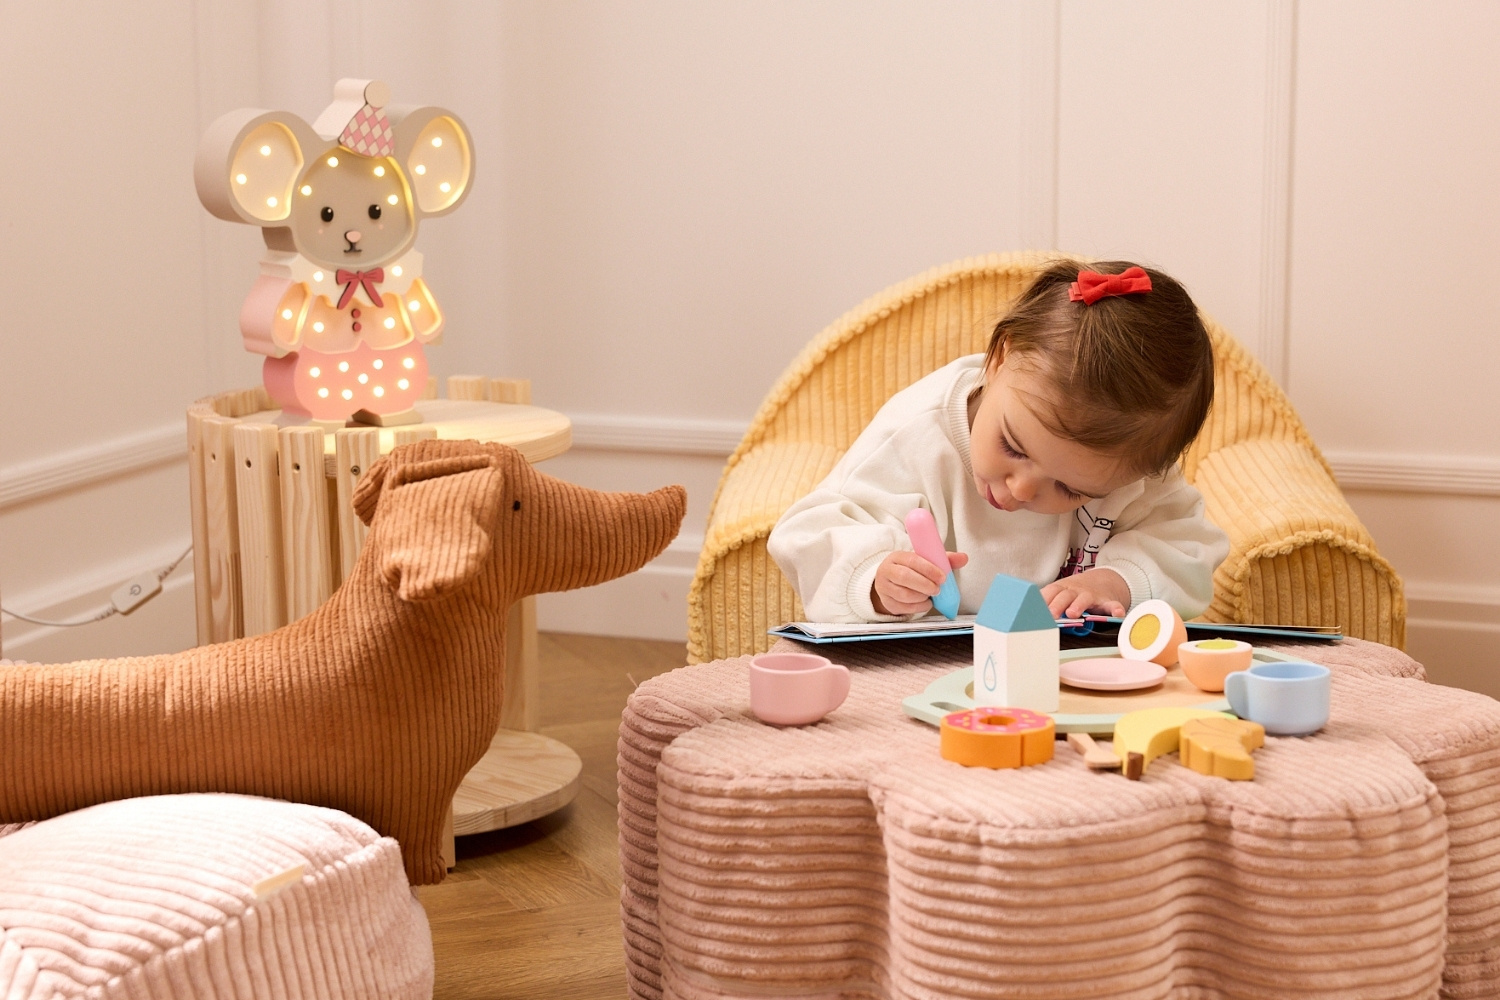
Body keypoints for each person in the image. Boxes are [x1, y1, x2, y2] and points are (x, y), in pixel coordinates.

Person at [767, 260, 1230, 623]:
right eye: (1013, 447)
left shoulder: (1130, 462)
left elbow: (1185, 546)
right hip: (921, 669)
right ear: (1000, 357)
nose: (1021, 489)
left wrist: (1118, 582)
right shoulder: (916, 436)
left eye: (1071, 490)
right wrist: (875, 579)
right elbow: (810, 533)